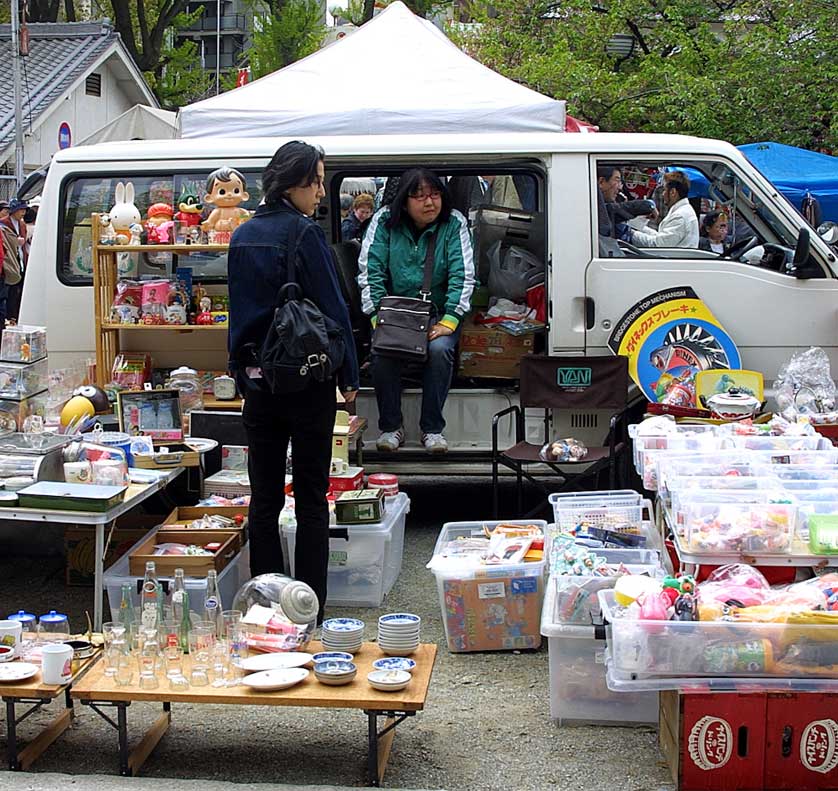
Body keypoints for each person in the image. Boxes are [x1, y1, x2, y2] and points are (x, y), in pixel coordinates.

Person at [227, 141, 359, 621]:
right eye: (318, 181)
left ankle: (267, 604)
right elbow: (333, 309)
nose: (322, 191)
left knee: (262, 498)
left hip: (259, 384)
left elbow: (237, 318)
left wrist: (240, 372)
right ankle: (309, 605)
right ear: (296, 182)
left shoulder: (241, 236)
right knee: (309, 495)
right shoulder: (304, 235)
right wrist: (349, 375)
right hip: (307, 383)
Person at [358, 168, 476, 454]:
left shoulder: (454, 222)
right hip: (395, 314)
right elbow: (369, 271)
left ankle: (432, 429)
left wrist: (450, 321)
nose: (429, 202)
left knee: (439, 351)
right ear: (404, 200)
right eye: (419, 196)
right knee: (382, 352)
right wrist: (377, 318)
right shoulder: (384, 221)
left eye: (435, 194)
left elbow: (464, 275)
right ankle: (391, 427)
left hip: (439, 314)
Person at [629, 171, 699, 248]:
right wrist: (638, 227)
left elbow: (658, 244)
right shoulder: (682, 211)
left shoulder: (680, 216)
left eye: (665, 190)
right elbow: (661, 237)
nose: (663, 194)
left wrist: (630, 233)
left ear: (673, 192)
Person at [1, 199, 28, 323]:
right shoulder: (3, 224)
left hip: (21, 259)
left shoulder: (22, 225)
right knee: (9, 291)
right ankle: (9, 316)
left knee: (19, 289)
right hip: (9, 261)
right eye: (21, 210)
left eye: (24, 210)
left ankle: (15, 315)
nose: (23, 212)